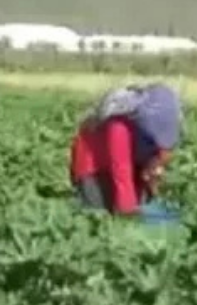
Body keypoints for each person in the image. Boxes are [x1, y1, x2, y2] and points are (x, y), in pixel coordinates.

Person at [70, 83, 182, 217]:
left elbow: (163, 152)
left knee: (143, 201)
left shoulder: (165, 123)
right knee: (100, 211)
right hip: (95, 167)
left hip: (131, 160)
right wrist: (129, 217)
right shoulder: (119, 125)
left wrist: (153, 175)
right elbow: (121, 173)